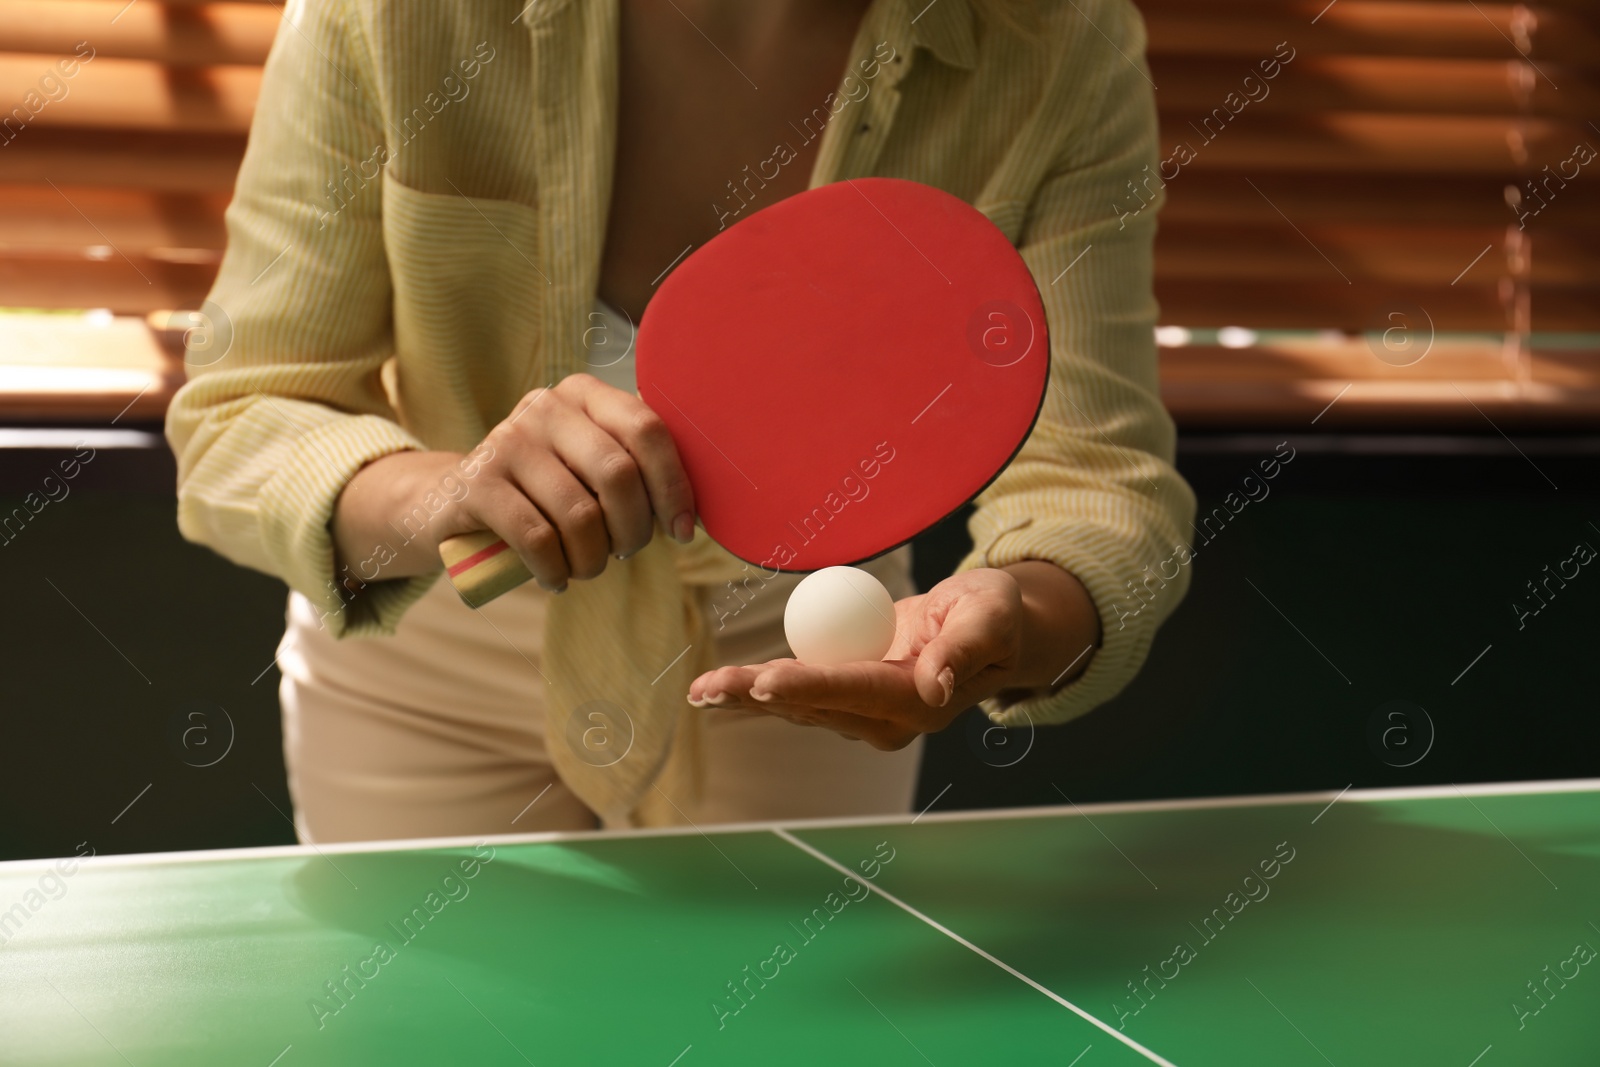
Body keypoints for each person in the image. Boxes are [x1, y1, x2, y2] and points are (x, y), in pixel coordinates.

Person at [165, 0, 1196, 842]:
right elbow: (241, 410)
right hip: (427, 664)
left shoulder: (1060, 42)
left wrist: (1011, 617)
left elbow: (1094, 479)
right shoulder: (387, 15)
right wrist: (445, 489)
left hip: (804, 673)